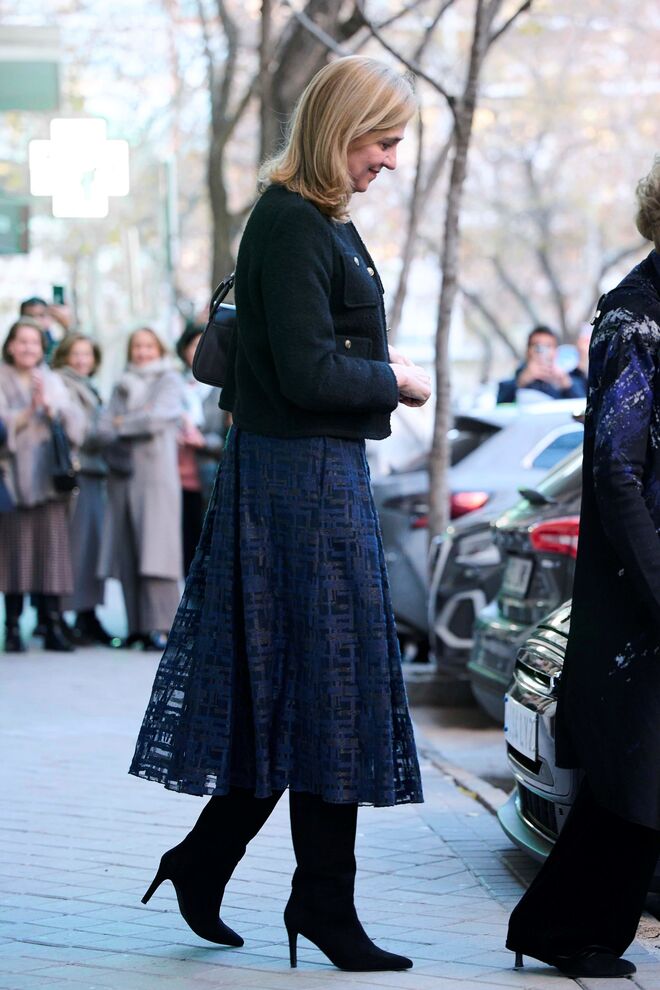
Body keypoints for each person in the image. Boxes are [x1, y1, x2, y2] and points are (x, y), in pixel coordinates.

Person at [129, 56, 431, 972]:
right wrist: (394, 379)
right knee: (324, 688)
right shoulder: (294, 221)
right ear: (342, 129)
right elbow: (307, 370)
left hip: (311, 477)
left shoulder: (314, 217)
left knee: (303, 688)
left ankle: (218, 868)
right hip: (297, 485)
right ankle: (318, 903)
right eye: (383, 141)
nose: (390, 160)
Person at [506, 156, 660, 978]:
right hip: (640, 581)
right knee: (633, 769)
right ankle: (562, 926)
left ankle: (563, 925)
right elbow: (614, 468)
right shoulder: (633, 316)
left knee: (639, 773)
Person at [0, 318, 84, 652]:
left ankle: (51, 624)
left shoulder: (51, 379)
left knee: (52, 554)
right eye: (22, 341)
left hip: (49, 479)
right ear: (10, 346)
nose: (28, 348)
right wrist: (26, 413)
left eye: (34, 342)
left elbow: (76, 425)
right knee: (13, 555)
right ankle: (12, 626)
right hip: (13, 479)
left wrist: (53, 410)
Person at [98, 327, 184, 651]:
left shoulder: (169, 379)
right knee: (129, 552)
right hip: (123, 476)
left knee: (157, 553)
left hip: (156, 478)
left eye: (149, 346)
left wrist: (124, 422)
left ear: (159, 349)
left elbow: (157, 419)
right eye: (137, 346)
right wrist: (137, 418)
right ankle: (136, 627)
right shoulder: (122, 383)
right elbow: (102, 429)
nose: (143, 352)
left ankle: (162, 626)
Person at [52, 334, 115, 646]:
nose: (81, 360)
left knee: (91, 547)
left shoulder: (88, 385)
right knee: (75, 547)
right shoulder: (62, 384)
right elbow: (82, 432)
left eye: (87, 354)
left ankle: (86, 614)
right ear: (64, 355)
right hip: (77, 474)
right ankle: (64, 615)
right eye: (75, 354)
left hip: (93, 474)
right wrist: (111, 425)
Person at [175, 323, 228, 576]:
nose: (197, 350)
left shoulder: (222, 388)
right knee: (181, 544)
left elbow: (225, 438)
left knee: (204, 541)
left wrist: (202, 442)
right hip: (175, 476)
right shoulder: (175, 385)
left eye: (203, 344)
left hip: (206, 475)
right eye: (193, 344)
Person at [496, 325, 587, 403]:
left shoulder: (570, 378)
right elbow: (500, 406)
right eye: (537, 346)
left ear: (556, 351)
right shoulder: (514, 382)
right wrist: (521, 381)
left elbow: (584, 406)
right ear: (528, 351)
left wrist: (566, 384)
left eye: (548, 346)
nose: (542, 351)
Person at [19, 297, 72, 363]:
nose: (36, 320)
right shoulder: (17, 345)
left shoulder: (55, 343)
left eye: (41, 315)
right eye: (31, 316)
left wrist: (65, 326)